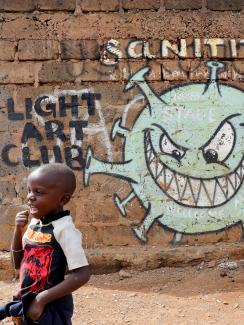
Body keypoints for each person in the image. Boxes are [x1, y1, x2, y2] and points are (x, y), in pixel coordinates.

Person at [0, 163, 90, 324]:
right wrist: (17, 231)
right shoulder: (35, 224)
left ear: (63, 199)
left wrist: (41, 299)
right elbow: (18, 264)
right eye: (29, 190)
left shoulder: (65, 230)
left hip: (51, 305)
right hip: (26, 299)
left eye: (38, 192)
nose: (30, 197)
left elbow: (82, 275)